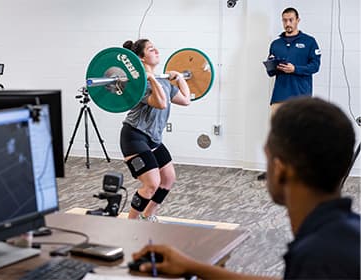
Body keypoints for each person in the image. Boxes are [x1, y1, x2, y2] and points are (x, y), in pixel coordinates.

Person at [132, 97, 360, 279]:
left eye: (267, 158)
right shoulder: (341, 234)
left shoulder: (319, 255)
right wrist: (195, 267)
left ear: (280, 170)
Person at [120, 39, 191, 221]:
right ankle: (131, 221)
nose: (157, 50)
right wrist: (149, 78)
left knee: (168, 179)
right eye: (151, 49)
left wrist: (180, 79)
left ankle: (149, 214)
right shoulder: (139, 84)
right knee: (151, 184)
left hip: (153, 138)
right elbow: (160, 103)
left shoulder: (163, 81)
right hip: (134, 136)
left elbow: (185, 99)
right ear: (142, 59)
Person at [266, 7, 321, 115]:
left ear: (298, 20)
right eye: (285, 20)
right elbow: (270, 73)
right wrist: (272, 66)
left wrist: (295, 69)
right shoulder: (276, 44)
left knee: (300, 131)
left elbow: (315, 66)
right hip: (279, 98)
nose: (288, 23)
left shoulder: (309, 41)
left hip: (301, 98)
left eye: (291, 20)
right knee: (278, 131)